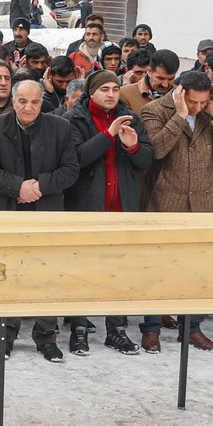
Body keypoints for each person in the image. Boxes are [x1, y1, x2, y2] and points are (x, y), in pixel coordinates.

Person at [136, 70, 213, 353]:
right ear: (180, 92)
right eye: (193, 102)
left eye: (203, 103)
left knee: (200, 271)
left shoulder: (211, 112)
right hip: (166, 201)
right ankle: (152, 328)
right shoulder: (154, 110)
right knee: (158, 270)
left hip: (206, 203)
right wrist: (180, 116)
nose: (197, 108)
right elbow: (156, 150)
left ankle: (191, 328)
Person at [0, 80, 81, 359]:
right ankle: (5, 335)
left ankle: (47, 337)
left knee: (45, 276)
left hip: (45, 212)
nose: (29, 107)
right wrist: (17, 187)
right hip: (7, 211)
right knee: (7, 274)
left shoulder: (60, 127)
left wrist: (39, 187)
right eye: (23, 101)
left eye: (35, 101)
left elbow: (71, 169)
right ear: (13, 101)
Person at [66, 68, 155, 354]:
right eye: (104, 90)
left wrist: (132, 147)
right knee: (82, 269)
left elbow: (146, 160)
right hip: (87, 208)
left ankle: (115, 329)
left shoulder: (132, 118)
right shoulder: (74, 119)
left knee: (119, 270)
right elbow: (76, 159)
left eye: (115, 89)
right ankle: (79, 328)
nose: (111, 95)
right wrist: (108, 134)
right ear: (92, 92)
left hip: (122, 206)